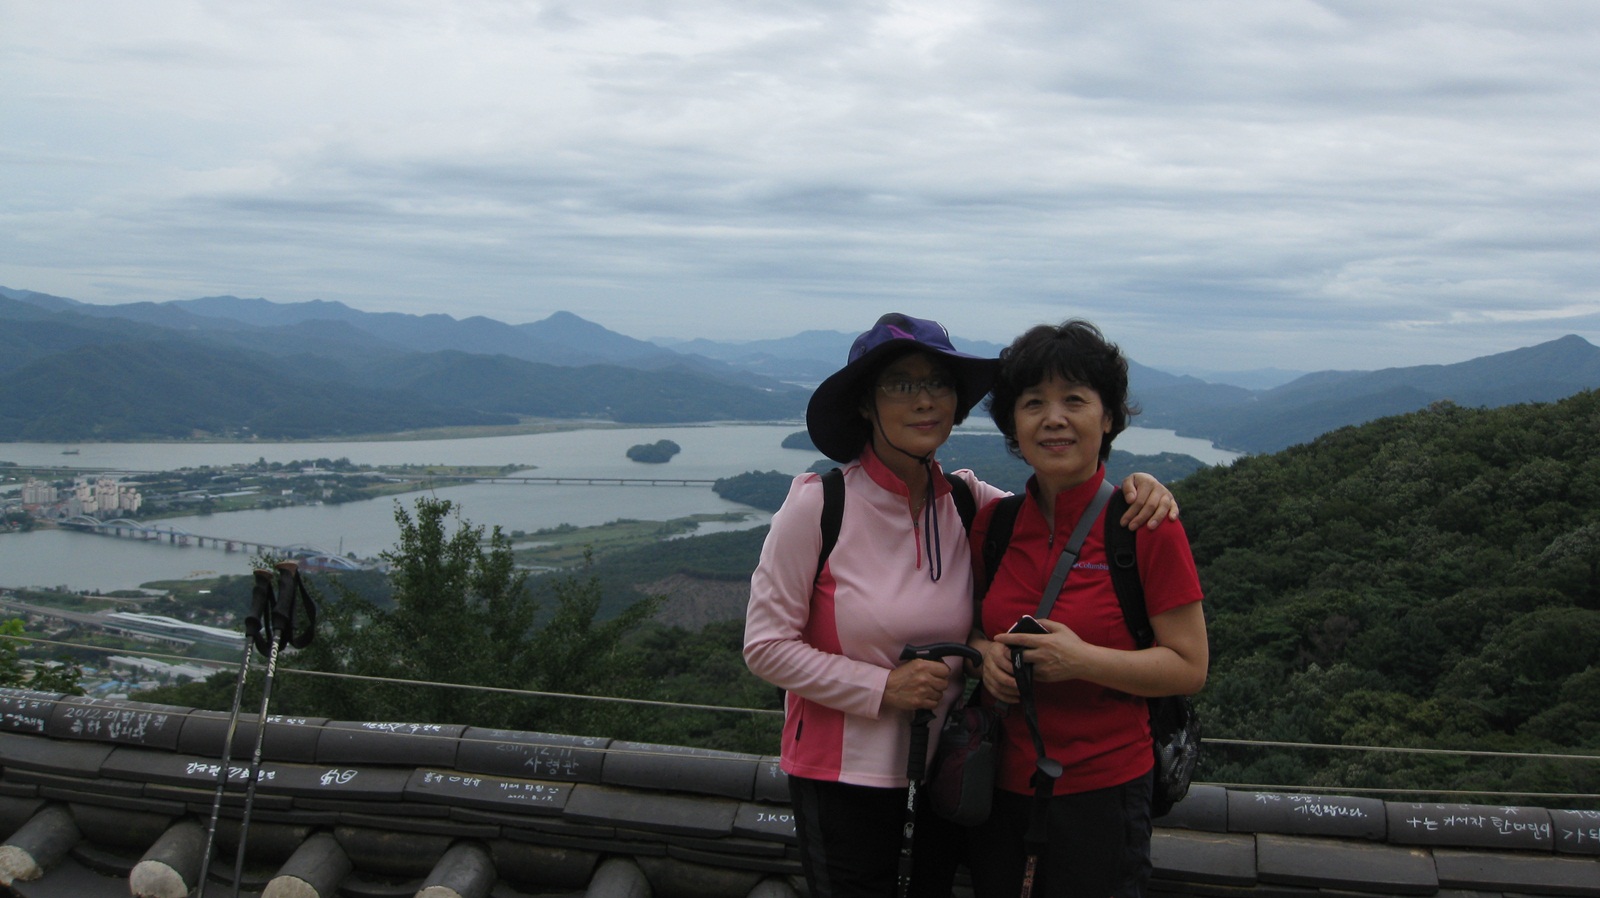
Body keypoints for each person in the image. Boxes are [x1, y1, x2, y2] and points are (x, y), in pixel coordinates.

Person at [743, 313, 1178, 898]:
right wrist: (882, 688)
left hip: (947, 776)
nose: (924, 400)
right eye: (901, 384)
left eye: (938, 384)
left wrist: (1135, 488)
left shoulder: (969, 505)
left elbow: (1060, 513)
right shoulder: (820, 508)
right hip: (841, 779)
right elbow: (765, 647)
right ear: (866, 404)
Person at [965, 320, 1209, 898]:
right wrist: (984, 655)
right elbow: (972, 627)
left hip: (1104, 795)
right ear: (1013, 425)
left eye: (1074, 400)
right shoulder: (994, 525)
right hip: (997, 786)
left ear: (1108, 418)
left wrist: (1081, 661)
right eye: (1033, 403)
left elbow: (1188, 666)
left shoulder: (1144, 526)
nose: (1054, 418)